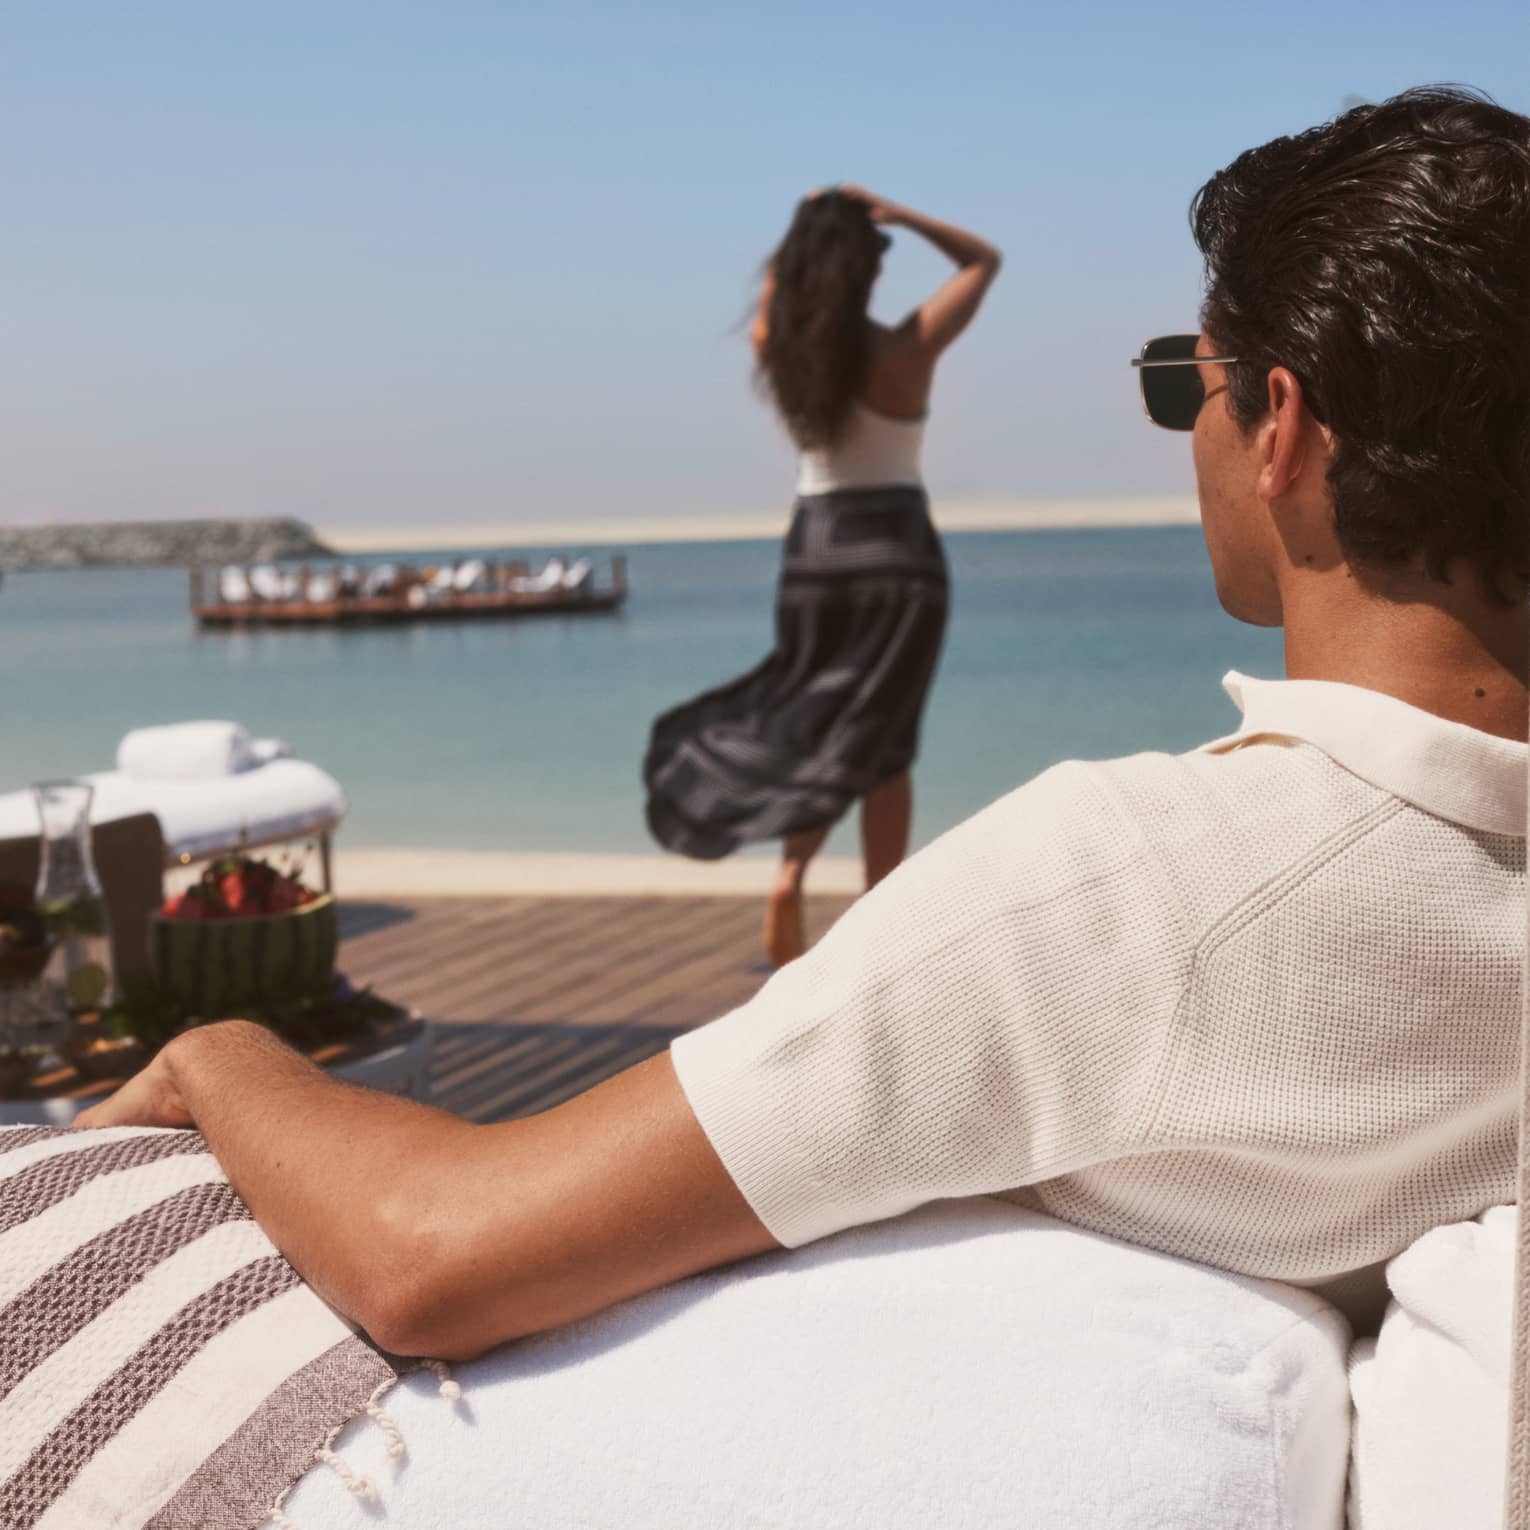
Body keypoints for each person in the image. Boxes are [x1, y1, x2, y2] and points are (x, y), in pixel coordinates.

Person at [81, 86, 1528, 1357]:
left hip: (826, 563)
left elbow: (432, 1249)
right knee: (878, 737)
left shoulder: (1123, 896)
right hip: (899, 562)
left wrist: (224, 1052)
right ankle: (841, 898)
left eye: (1181, 385)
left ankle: (810, 889)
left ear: (1275, 424)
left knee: (842, 730)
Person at [643, 188, 1002, 966]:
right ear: (870, 273)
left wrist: (807, 228)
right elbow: (984, 261)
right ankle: (881, 915)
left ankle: (793, 872)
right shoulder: (905, 350)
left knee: (818, 721)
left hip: (816, 551)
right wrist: (899, 214)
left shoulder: (781, 348)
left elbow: (779, 291)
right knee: (888, 740)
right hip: (899, 555)